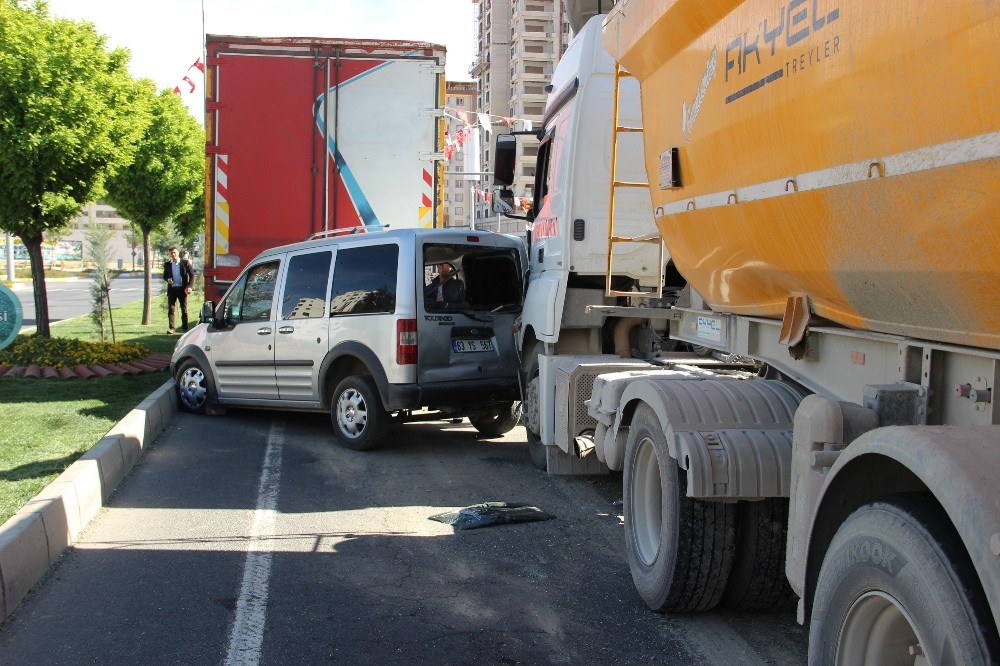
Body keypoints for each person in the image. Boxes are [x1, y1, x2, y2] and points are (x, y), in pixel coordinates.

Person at [163, 246, 195, 333]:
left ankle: (185, 328)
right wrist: (168, 279)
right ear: (169, 254)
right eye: (171, 253)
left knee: (184, 309)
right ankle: (172, 328)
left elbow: (192, 275)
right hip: (172, 289)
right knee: (171, 309)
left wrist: (190, 287)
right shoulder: (167, 264)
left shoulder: (185, 263)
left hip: (182, 289)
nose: (173, 254)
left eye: (174, 252)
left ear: (177, 253)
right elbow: (165, 276)